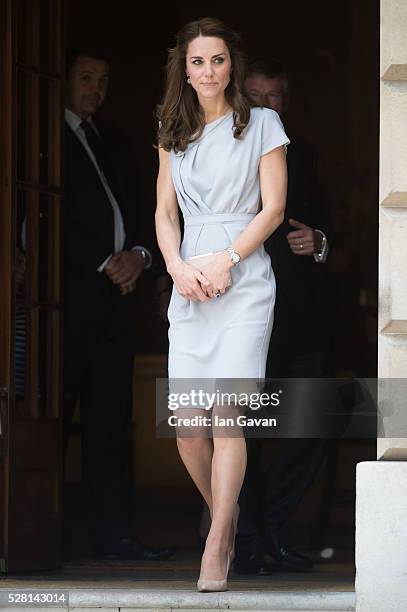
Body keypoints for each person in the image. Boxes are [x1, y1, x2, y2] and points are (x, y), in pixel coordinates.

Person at [155, 19, 289, 592]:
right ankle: (231, 520)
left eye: (217, 60)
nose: (207, 71)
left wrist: (225, 260)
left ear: (231, 64)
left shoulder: (261, 123)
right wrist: (179, 268)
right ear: (182, 70)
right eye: (196, 62)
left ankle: (216, 542)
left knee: (227, 417)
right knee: (188, 427)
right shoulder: (170, 128)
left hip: (244, 279)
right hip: (189, 283)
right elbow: (164, 213)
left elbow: (274, 210)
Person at [63, 47, 172, 561]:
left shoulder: (113, 140)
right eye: (85, 77)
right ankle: (37, 532)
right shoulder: (40, 137)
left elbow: (146, 209)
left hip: (117, 304)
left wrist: (140, 255)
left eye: (103, 79)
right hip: (62, 307)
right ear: (61, 81)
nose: (96, 88)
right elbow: (43, 217)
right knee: (50, 422)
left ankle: (115, 536)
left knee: (110, 425)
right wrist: (104, 259)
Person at [234, 59, 331, 575]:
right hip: (244, 315)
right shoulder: (222, 156)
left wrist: (318, 243)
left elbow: (338, 233)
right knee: (239, 432)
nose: (268, 107)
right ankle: (246, 538)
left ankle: (272, 528)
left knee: (310, 423)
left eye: (277, 97)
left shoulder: (308, 157)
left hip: (302, 318)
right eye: (256, 97)